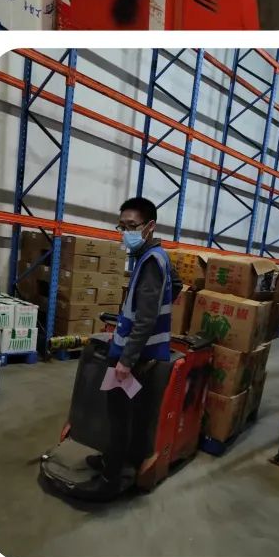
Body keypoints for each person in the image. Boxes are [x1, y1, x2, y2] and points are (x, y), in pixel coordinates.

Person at [85, 196, 172, 500]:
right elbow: (172, 288)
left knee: (119, 417)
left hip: (135, 358)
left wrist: (126, 359)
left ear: (150, 226)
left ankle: (110, 479)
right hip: (137, 353)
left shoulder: (150, 262)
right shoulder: (153, 257)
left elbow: (146, 318)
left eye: (132, 226)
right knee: (127, 414)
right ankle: (114, 461)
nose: (125, 233)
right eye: (122, 227)